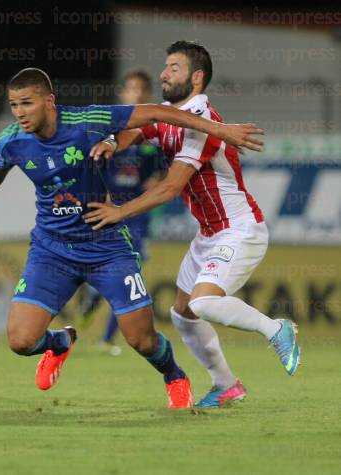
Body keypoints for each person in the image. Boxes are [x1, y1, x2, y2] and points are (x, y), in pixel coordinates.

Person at [0, 67, 264, 409]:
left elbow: (157, 111)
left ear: (49, 102)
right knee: (20, 340)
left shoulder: (89, 120)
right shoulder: (13, 141)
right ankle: (60, 342)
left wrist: (219, 129)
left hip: (106, 247)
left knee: (141, 340)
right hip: (52, 251)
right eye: (13, 105)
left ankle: (174, 375)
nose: (19, 112)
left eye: (27, 103)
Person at [85, 41, 300, 408]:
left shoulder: (202, 120)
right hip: (210, 234)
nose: (163, 74)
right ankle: (226, 384)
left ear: (196, 78)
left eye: (173, 67)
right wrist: (111, 142)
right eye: (165, 66)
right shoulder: (171, 113)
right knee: (182, 314)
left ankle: (277, 329)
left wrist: (120, 212)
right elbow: (136, 132)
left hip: (240, 229)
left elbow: (170, 187)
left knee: (202, 304)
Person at [78, 70, 167, 356]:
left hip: (137, 213)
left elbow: (168, 170)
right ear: (123, 94)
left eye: (142, 90)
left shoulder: (153, 132)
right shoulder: (108, 129)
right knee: (104, 267)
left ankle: (106, 339)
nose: (137, 95)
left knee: (131, 273)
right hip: (106, 208)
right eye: (131, 89)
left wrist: (159, 179)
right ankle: (92, 295)